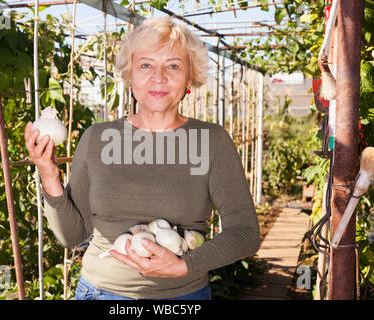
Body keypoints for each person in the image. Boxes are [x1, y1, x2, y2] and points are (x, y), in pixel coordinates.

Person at [24, 17, 260, 300]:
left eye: (173, 66)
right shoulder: (97, 138)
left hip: (182, 297)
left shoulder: (211, 141)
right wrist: (48, 173)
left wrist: (185, 265)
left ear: (189, 78)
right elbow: (72, 236)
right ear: (130, 76)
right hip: (100, 293)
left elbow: (245, 233)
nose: (158, 77)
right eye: (146, 65)